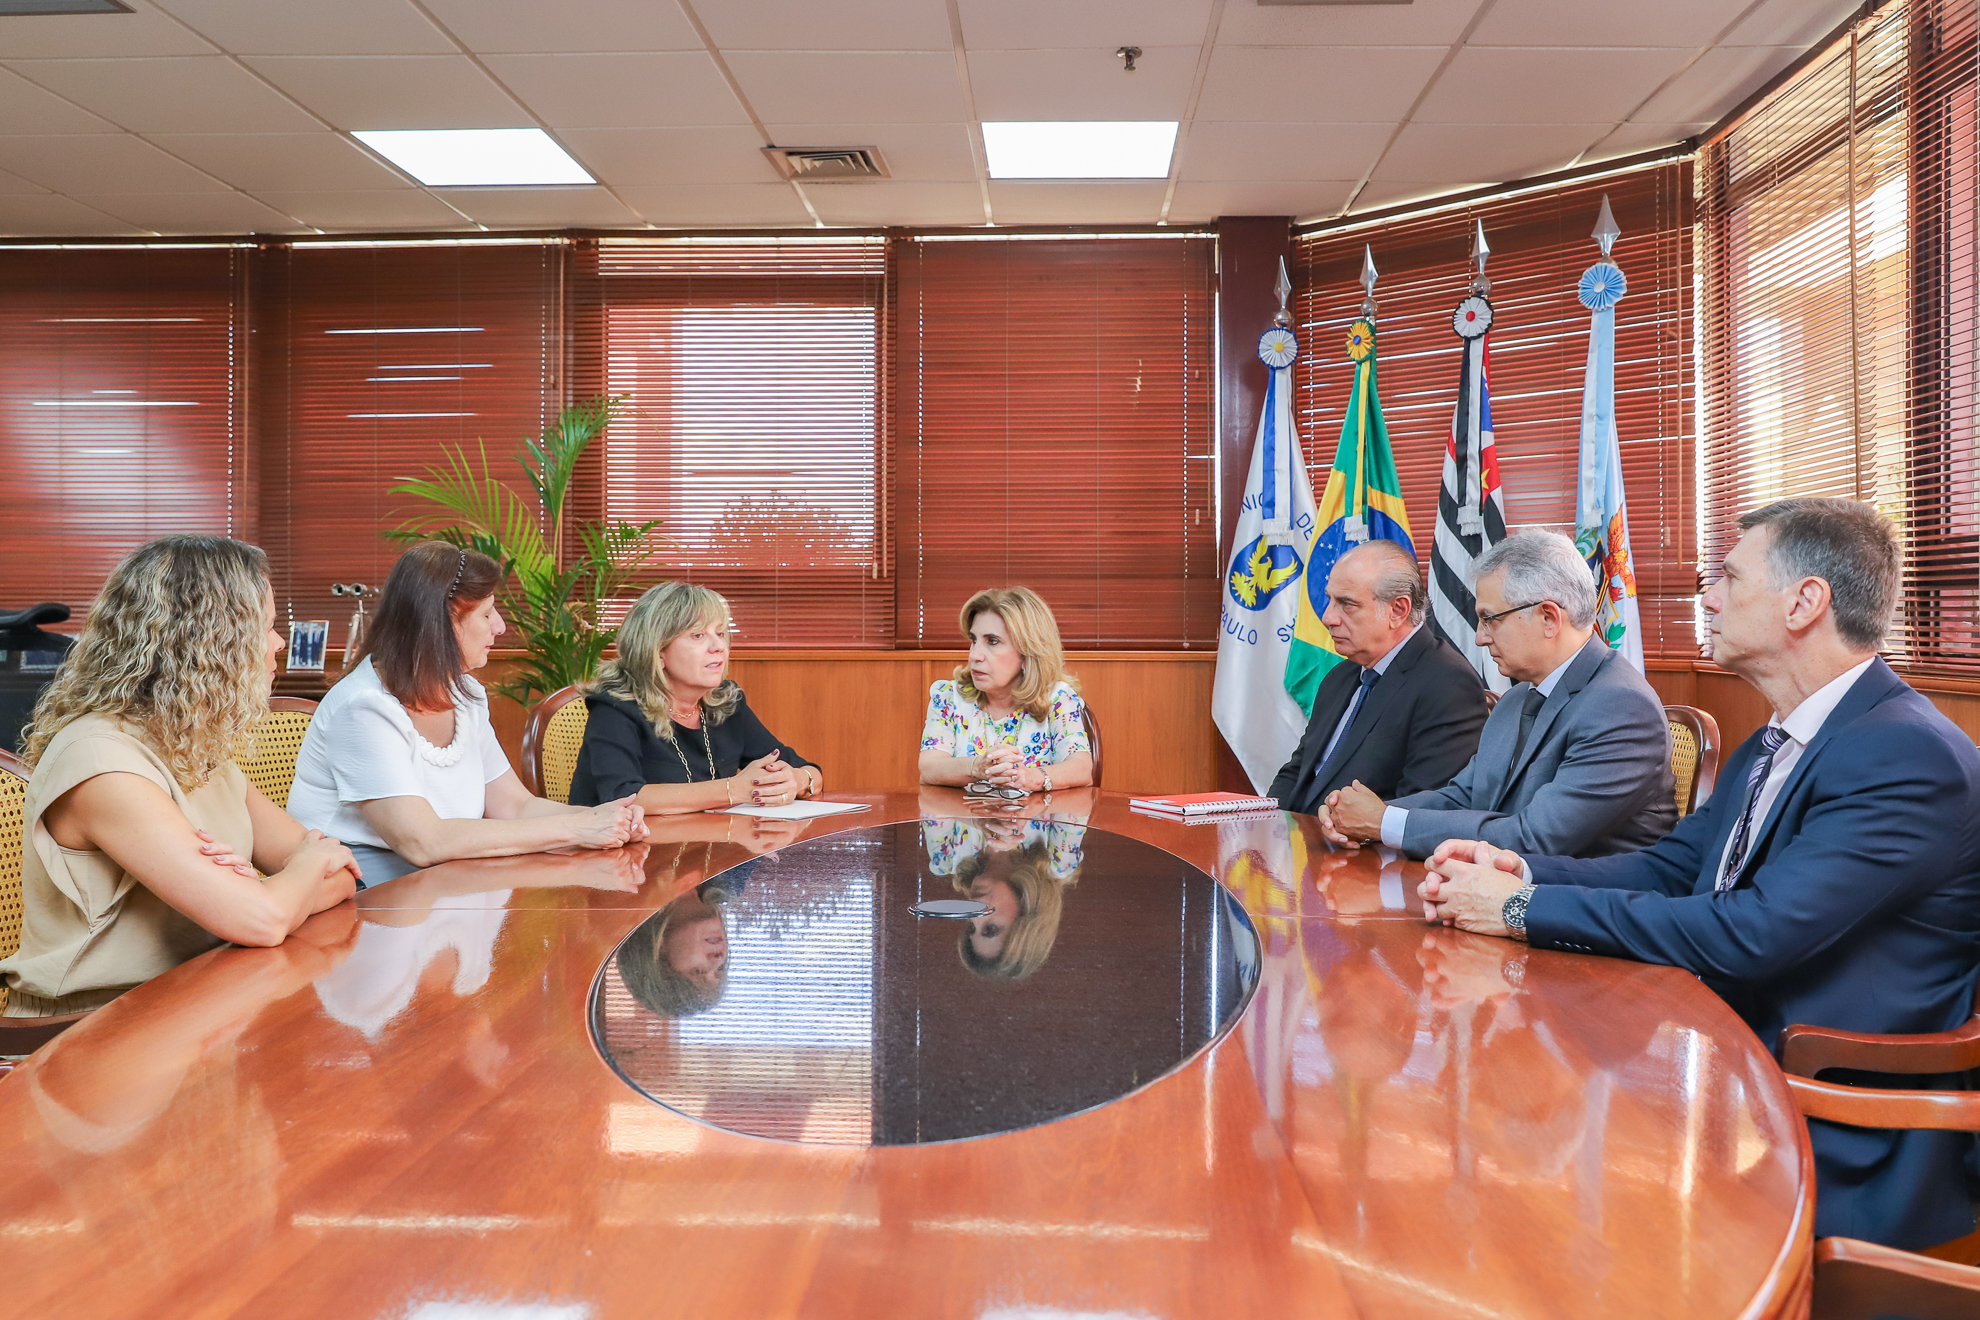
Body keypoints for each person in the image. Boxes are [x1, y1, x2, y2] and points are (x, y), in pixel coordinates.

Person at [1420, 497, 1980, 1251]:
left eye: (1726, 577)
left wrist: (1519, 908)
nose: (1705, 597)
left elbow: (1754, 932)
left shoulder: (1906, 758)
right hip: (1723, 1060)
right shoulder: (1777, 738)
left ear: (1804, 602)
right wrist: (1518, 866)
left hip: (1837, 1121)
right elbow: (1673, 867)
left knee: (1539, 1189)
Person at [2, 536, 359, 1017]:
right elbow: (264, 919)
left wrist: (278, 883)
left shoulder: (192, 743)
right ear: (209, 640)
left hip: (201, 997)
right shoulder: (98, 759)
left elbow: (343, 878)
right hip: (92, 1028)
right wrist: (295, 873)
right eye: (268, 627)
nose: (279, 643)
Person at [287, 542, 646, 878]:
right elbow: (422, 842)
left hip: (446, 879)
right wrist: (578, 829)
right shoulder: (362, 708)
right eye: (487, 614)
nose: (500, 626)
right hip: (361, 894)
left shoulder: (465, 693)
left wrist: (607, 819)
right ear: (443, 623)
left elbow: (516, 807)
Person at [1318, 529, 1675, 858]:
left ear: (1549, 618)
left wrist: (1385, 824)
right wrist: (1371, 815)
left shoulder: (1621, 707)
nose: (1479, 637)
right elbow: (1462, 797)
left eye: (1490, 619)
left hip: (1582, 910)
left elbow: (1535, 838)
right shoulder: (1520, 697)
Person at [1268, 540, 1488, 814]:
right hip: (1300, 840)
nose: (1327, 617)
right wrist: (1268, 823)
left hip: (1362, 851)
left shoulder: (1448, 684)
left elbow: (1425, 810)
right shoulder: (1341, 675)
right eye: (1330, 600)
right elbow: (1299, 771)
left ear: (1397, 610)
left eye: (1346, 604)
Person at [569, 582, 821, 812]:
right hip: (627, 855)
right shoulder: (615, 706)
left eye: (720, 633)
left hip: (708, 851)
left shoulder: (726, 702)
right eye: (698, 635)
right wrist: (734, 789)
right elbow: (622, 797)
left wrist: (797, 780)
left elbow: (803, 767)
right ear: (657, 652)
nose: (718, 646)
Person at [918, 586, 1094, 794]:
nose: (975, 655)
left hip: (1037, 823)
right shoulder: (948, 696)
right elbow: (929, 768)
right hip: (964, 822)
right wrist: (979, 766)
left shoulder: (1057, 698)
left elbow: (1081, 768)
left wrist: (1030, 777)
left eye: (992, 642)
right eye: (974, 641)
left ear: (1027, 653)